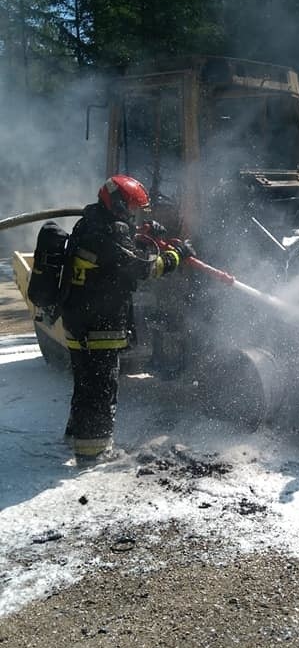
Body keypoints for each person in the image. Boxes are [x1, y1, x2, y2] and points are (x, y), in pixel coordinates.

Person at [61, 175, 192, 461]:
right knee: (100, 389)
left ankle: (78, 438)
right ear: (119, 206)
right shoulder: (108, 233)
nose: (133, 215)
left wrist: (140, 230)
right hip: (99, 327)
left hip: (80, 322)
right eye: (131, 210)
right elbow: (143, 269)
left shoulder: (92, 222)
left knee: (86, 385)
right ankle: (93, 452)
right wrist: (176, 255)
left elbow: (115, 253)